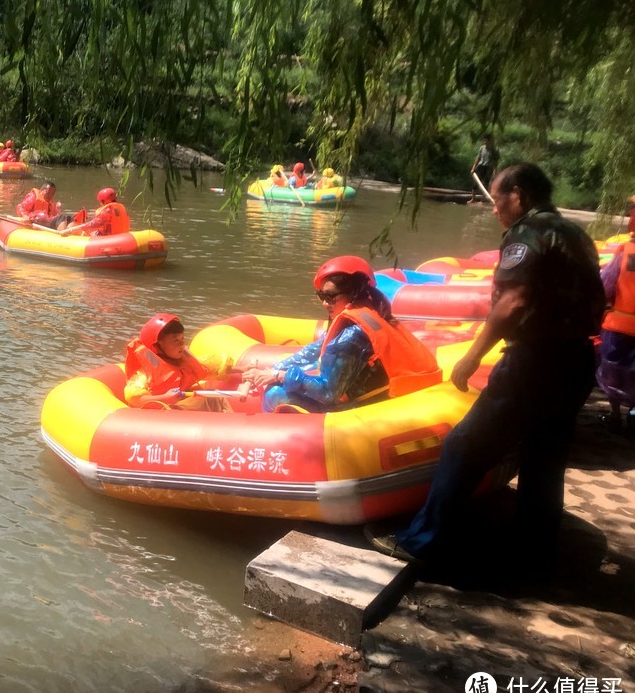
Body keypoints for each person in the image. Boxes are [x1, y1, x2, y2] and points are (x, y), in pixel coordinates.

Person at [369, 163, 605, 574]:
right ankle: (534, 548)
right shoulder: (575, 234)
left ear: (519, 195)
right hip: (578, 360)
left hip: (536, 362)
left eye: (498, 200)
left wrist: (473, 355)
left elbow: (513, 301)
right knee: (544, 456)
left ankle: (423, 542)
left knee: (465, 444)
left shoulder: (528, 233)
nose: (495, 210)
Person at [242, 256, 441, 412]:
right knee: (303, 368)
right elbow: (316, 350)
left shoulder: (352, 335)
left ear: (353, 293)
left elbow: (328, 393)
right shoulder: (368, 309)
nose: (324, 303)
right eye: (321, 295)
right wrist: (273, 369)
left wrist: (278, 376)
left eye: (330, 296)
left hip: (370, 404)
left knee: (274, 394)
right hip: (367, 386)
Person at [124, 314, 238, 411]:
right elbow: (135, 398)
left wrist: (243, 370)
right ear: (158, 345)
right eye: (175, 341)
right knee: (206, 400)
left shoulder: (180, 361)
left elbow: (210, 368)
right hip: (165, 414)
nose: (182, 345)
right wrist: (165, 398)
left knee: (214, 395)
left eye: (182, 339)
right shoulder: (144, 374)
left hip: (184, 410)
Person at [596, 195, 635, 433]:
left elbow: (605, 287)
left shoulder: (626, 252)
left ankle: (615, 414)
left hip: (619, 327)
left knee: (614, 374)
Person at [60, 187, 129, 237]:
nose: (100, 204)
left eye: (100, 202)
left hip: (108, 239)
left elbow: (93, 225)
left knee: (83, 231)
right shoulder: (121, 208)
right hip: (122, 236)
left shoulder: (107, 211)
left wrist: (71, 230)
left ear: (103, 201)